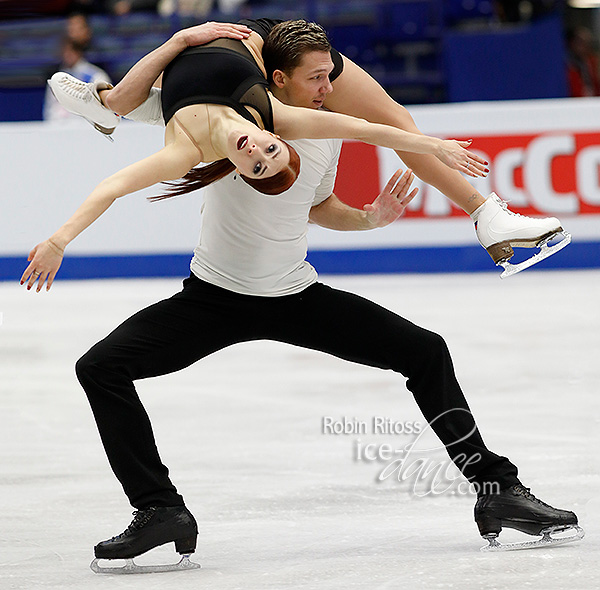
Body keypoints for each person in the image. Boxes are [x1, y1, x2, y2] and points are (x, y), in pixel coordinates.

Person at [23, 20, 582, 572]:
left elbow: (318, 205)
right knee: (100, 368)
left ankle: (498, 489)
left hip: (294, 294)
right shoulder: (248, 120)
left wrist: (369, 219)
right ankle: (159, 509)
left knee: (425, 351)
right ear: (276, 80)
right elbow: (131, 169)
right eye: (317, 77)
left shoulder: (322, 128)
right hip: (212, 298)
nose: (329, 87)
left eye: (331, 76)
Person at [48, 18, 570, 275]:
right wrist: (433, 145)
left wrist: (59, 240)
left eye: (255, 159)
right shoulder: (274, 113)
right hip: (271, 45)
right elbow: (369, 131)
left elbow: (111, 188)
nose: (258, 150)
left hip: (239, 49)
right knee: (393, 118)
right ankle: (485, 214)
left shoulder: (183, 150)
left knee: (123, 103)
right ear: (276, 136)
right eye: (269, 153)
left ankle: (110, 104)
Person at [44, 36, 112, 122]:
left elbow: (105, 106)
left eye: (70, 52)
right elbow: (50, 107)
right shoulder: (57, 78)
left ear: (78, 52)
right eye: (64, 52)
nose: (67, 55)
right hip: (61, 126)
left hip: (88, 125)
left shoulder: (95, 75)